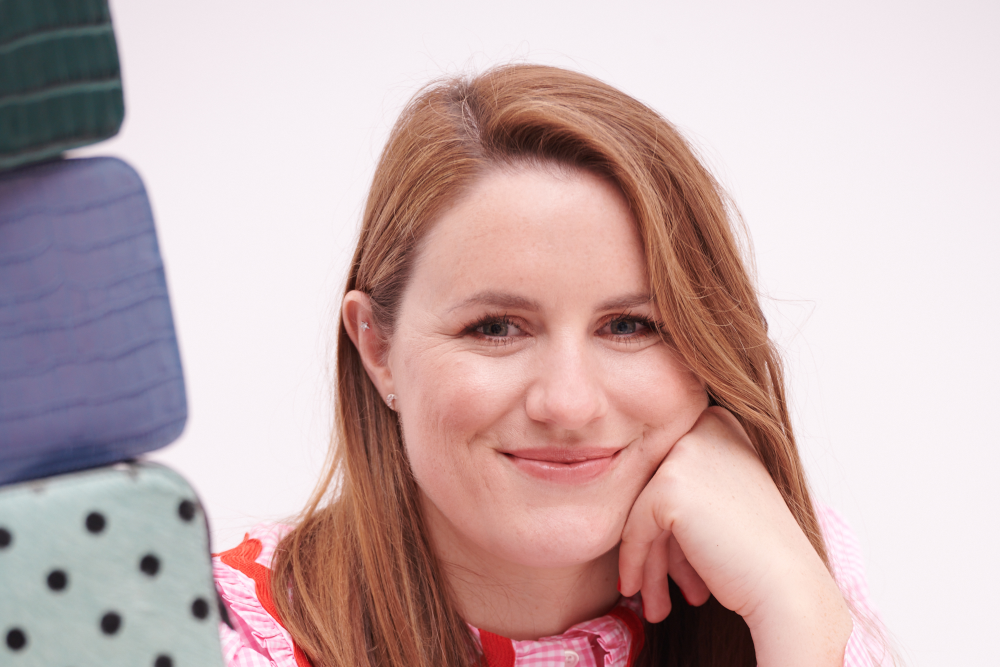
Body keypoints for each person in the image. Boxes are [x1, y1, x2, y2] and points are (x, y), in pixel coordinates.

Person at [212, 64, 891, 667]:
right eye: (496, 327)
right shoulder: (217, 635)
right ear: (379, 349)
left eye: (630, 326)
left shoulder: (781, 564)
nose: (568, 403)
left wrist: (798, 615)